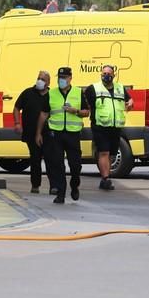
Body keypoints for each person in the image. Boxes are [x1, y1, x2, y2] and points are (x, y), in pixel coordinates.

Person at [36, 66, 90, 204]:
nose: (61, 80)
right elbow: (43, 114)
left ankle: (74, 184)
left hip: (73, 133)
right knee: (57, 164)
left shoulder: (78, 92)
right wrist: (38, 133)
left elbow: (86, 112)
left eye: (64, 78)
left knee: (75, 165)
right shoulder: (51, 93)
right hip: (56, 133)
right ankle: (61, 193)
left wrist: (75, 111)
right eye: (59, 78)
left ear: (70, 78)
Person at [84, 64, 133, 191]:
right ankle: (105, 178)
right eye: (104, 73)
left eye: (108, 74)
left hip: (115, 127)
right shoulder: (93, 88)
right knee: (103, 152)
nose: (106, 76)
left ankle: (106, 176)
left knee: (111, 154)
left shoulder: (120, 88)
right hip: (100, 126)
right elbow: (84, 101)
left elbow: (129, 100)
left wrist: (131, 102)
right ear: (101, 74)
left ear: (113, 75)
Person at [13, 71, 56, 194]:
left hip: (49, 133)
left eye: (42, 79)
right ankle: (35, 185)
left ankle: (53, 186)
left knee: (50, 159)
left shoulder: (52, 95)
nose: (39, 81)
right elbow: (17, 108)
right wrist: (17, 123)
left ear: (48, 82)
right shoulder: (28, 93)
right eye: (38, 78)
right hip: (31, 133)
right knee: (35, 159)